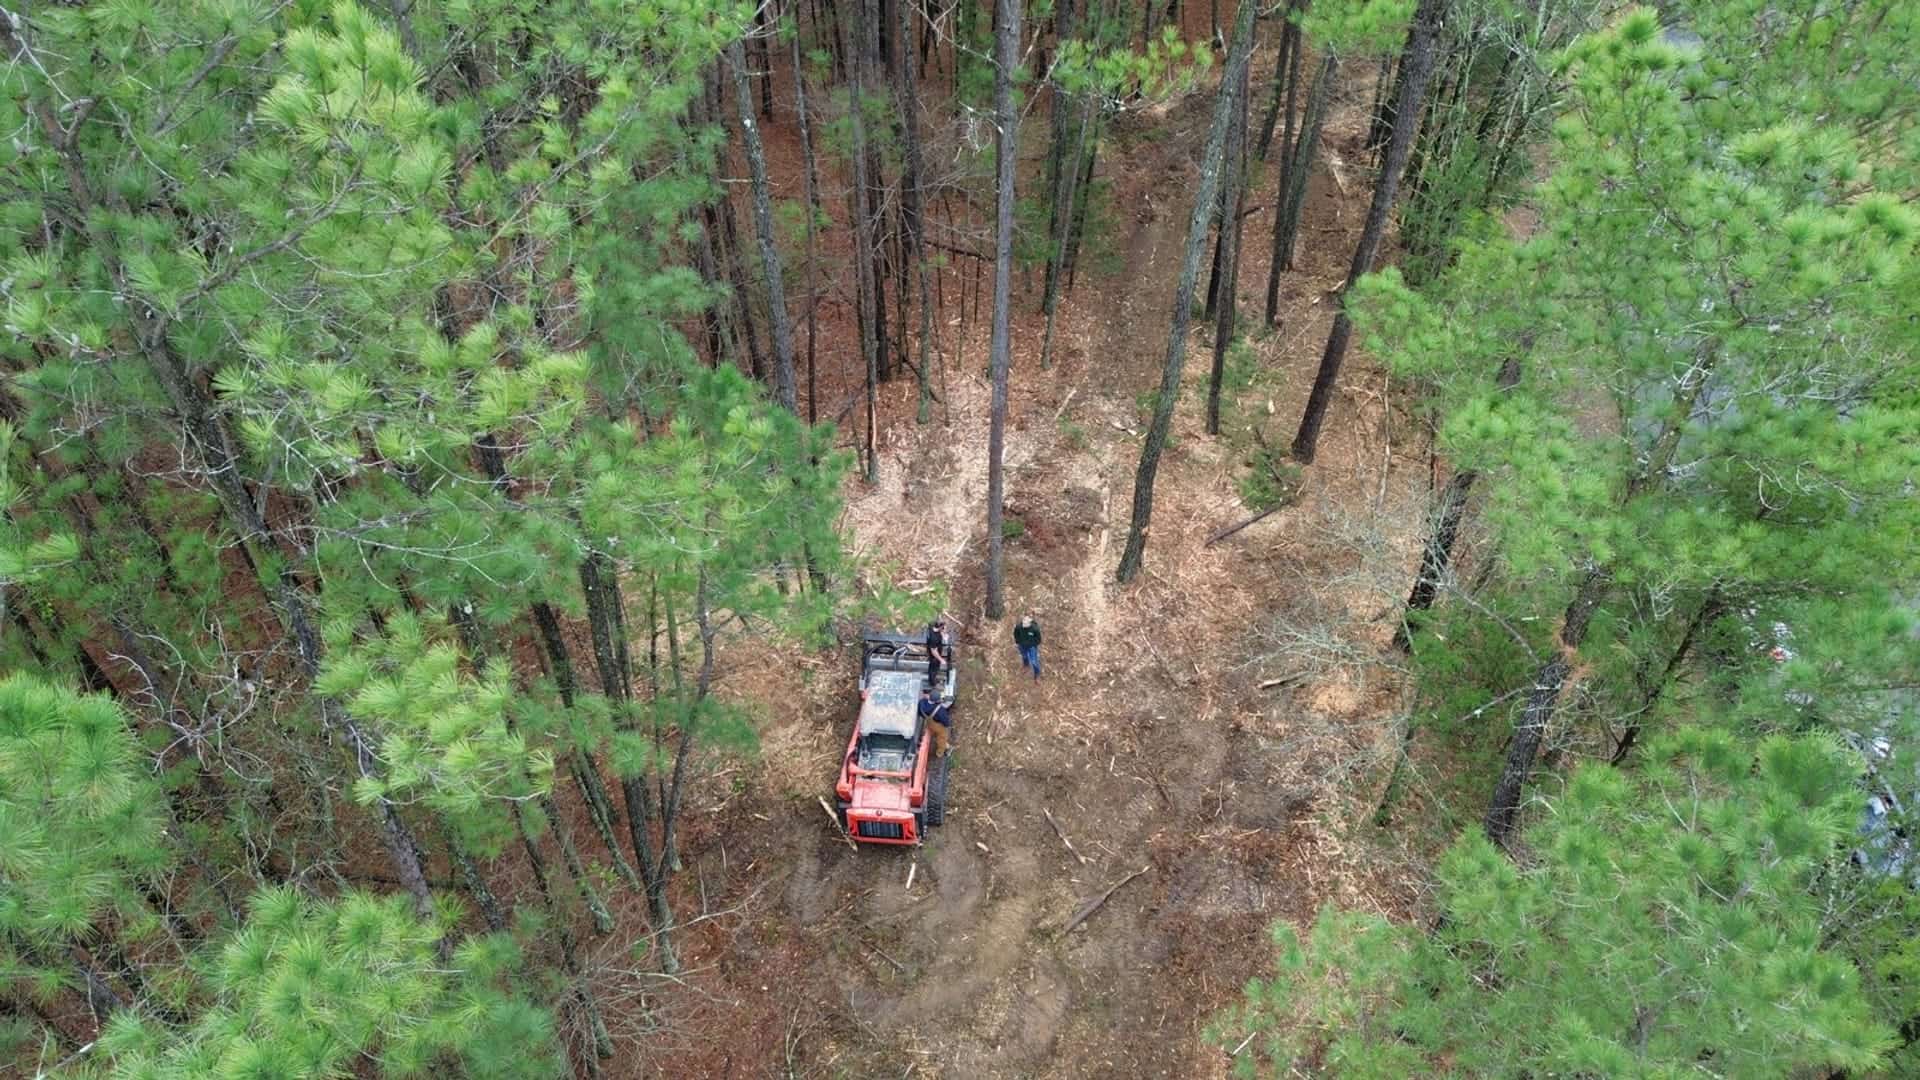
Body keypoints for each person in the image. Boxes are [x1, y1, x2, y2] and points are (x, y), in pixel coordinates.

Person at [924, 617, 952, 693]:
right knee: (933, 668)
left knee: (935, 666)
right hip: (934, 654)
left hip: (933, 646)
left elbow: (939, 630)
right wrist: (941, 659)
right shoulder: (934, 638)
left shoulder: (932, 625)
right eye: (944, 627)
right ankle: (932, 683)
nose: (945, 628)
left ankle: (933, 678)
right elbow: (934, 651)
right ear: (940, 627)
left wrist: (943, 634)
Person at [1013, 614, 1042, 680]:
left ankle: (1037, 675)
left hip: (1031, 647)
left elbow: (1038, 640)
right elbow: (1016, 633)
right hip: (1022, 645)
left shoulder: (1035, 629)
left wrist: (1032, 645)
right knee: (1024, 656)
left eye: (1026, 625)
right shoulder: (1019, 627)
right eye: (1023, 624)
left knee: (1034, 662)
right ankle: (1026, 665)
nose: (1024, 626)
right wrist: (1018, 641)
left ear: (1029, 623)